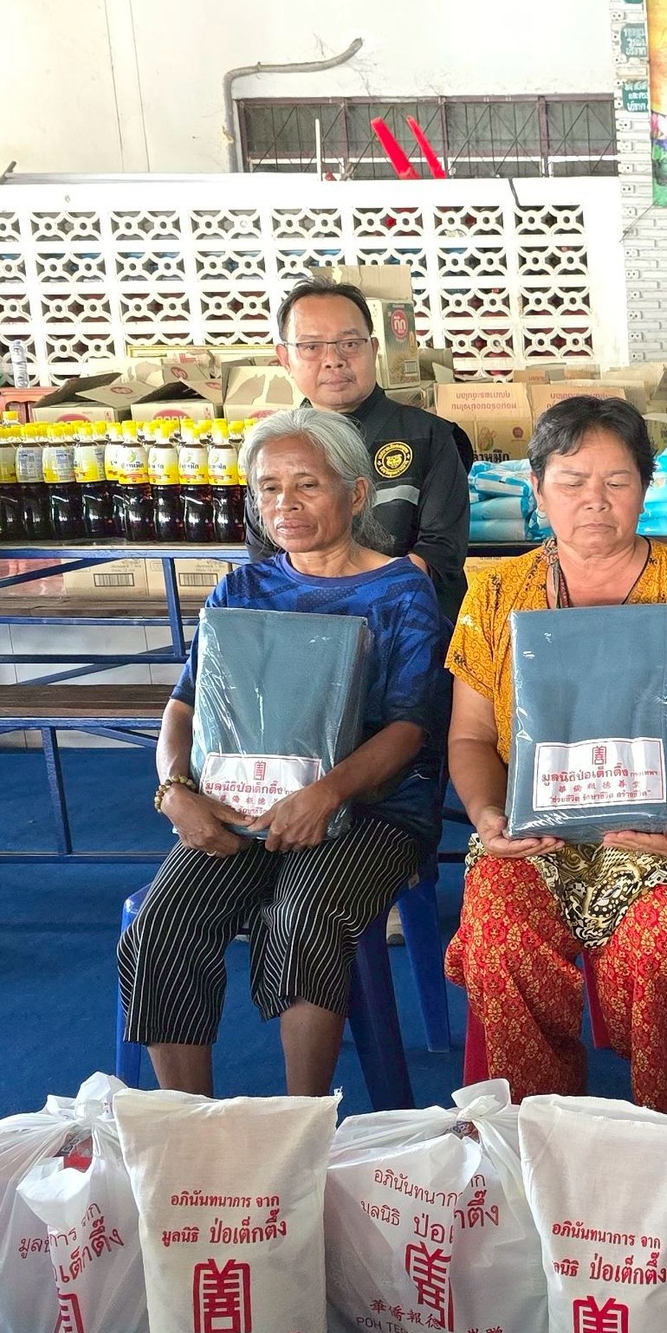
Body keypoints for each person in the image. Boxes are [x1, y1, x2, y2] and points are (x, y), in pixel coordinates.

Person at [443, 397, 667, 1115]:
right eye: (572, 480)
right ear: (536, 488)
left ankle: (663, 1122)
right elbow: (468, 736)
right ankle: (543, 1124)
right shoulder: (497, 594)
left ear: (646, 487)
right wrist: (488, 815)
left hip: (662, 827)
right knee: (499, 934)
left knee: (663, 942)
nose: (596, 500)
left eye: (618, 481)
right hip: (532, 829)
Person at [118, 408, 446, 1096]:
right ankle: (185, 1124)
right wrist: (175, 792)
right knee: (161, 924)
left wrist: (327, 794)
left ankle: (300, 1123)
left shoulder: (401, 591)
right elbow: (184, 706)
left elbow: (408, 729)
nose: (285, 503)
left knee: (304, 915)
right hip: (240, 808)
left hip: (373, 813)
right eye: (269, 487)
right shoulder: (243, 589)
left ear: (357, 494)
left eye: (307, 484)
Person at [263, 279, 473, 622]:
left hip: (408, 627)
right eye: (312, 346)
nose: (333, 360)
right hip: (300, 626)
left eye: (349, 344)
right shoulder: (272, 448)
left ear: (373, 348)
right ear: (285, 357)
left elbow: (440, 552)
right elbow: (264, 555)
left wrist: (358, 607)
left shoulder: (430, 436)